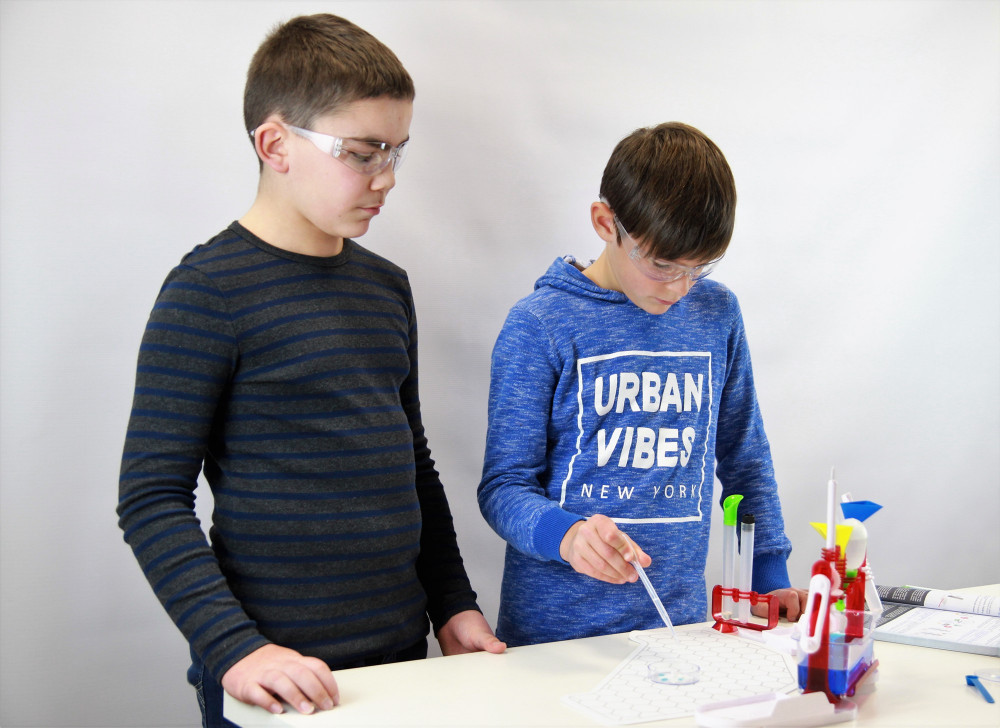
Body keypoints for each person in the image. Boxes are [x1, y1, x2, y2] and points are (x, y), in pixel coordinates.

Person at [117, 13, 504, 726]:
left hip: (402, 661)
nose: (387, 177)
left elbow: (411, 463)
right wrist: (236, 648)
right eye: (363, 152)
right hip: (275, 677)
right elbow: (150, 497)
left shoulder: (386, 287)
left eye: (396, 151)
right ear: (275, 145)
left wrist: (453, 605)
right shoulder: (207, 292)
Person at [477, 122, 807, 647]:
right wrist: (566, 536)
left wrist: (769, 575)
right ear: (605, 223)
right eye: (662, 264)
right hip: (554, 639)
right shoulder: (539, 324)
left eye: (699, 268)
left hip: (679, 631)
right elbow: (503, 487)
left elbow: (744, 458)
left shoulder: (717, 313)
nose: (680, 288)